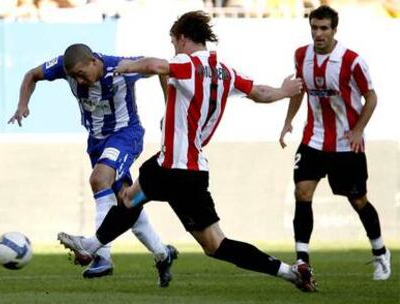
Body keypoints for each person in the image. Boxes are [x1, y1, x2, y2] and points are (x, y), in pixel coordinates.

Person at [57, 11, 317, 292]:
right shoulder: (225, 72)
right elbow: (259, 93)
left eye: (173, 43)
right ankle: (290, 272)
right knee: (215, 244)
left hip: (171, 165)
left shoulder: (187, 63)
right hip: (194, 172)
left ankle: (92, 246)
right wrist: (283, 90)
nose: (173, 49)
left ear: (182, 38)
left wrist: (127, 66)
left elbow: (158, 66)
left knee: (129, 200)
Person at [8, 44, 178, 286]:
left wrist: (168, 109)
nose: (79, 79)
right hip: (96, 142)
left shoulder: (121, 68)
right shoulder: (64, 67)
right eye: (74, 76)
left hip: (125, 135)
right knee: (126, 201)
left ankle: (100, 255)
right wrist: (22, 105)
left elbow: (162, 67)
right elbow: (31, 75)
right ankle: (163, 254)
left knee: (99, 180)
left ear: (93, 61)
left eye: (81, 73)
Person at [278, 5, 391, 281]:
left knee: (358, 200)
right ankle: (302, 261)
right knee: (302, 193)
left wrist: (358, 130)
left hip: (345, 145)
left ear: (334, 30)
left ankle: (380, 253)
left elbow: (371, 97)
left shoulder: (351, 61)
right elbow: (299, 90)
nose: (318, 34)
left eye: (324, 28)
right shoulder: (301, 55)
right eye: (314, 28)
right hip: (313, 139)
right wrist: (288, 120)